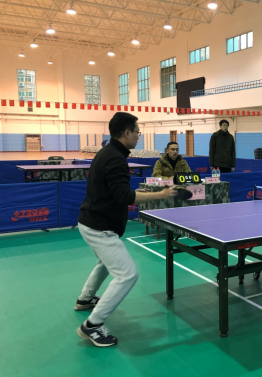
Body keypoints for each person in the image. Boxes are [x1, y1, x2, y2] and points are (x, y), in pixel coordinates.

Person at [75, 112, 185, 347]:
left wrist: (137, 193)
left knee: (105, 263)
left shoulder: (107, 152)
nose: (138, 136)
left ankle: (85, 299)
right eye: (137, 132)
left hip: (90, 221)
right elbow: (125, 197)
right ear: (126, 133)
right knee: (128, 274)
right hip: (99, 227)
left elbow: (115, 191)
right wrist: (162, 194)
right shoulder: (115, 158)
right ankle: (92, 325)